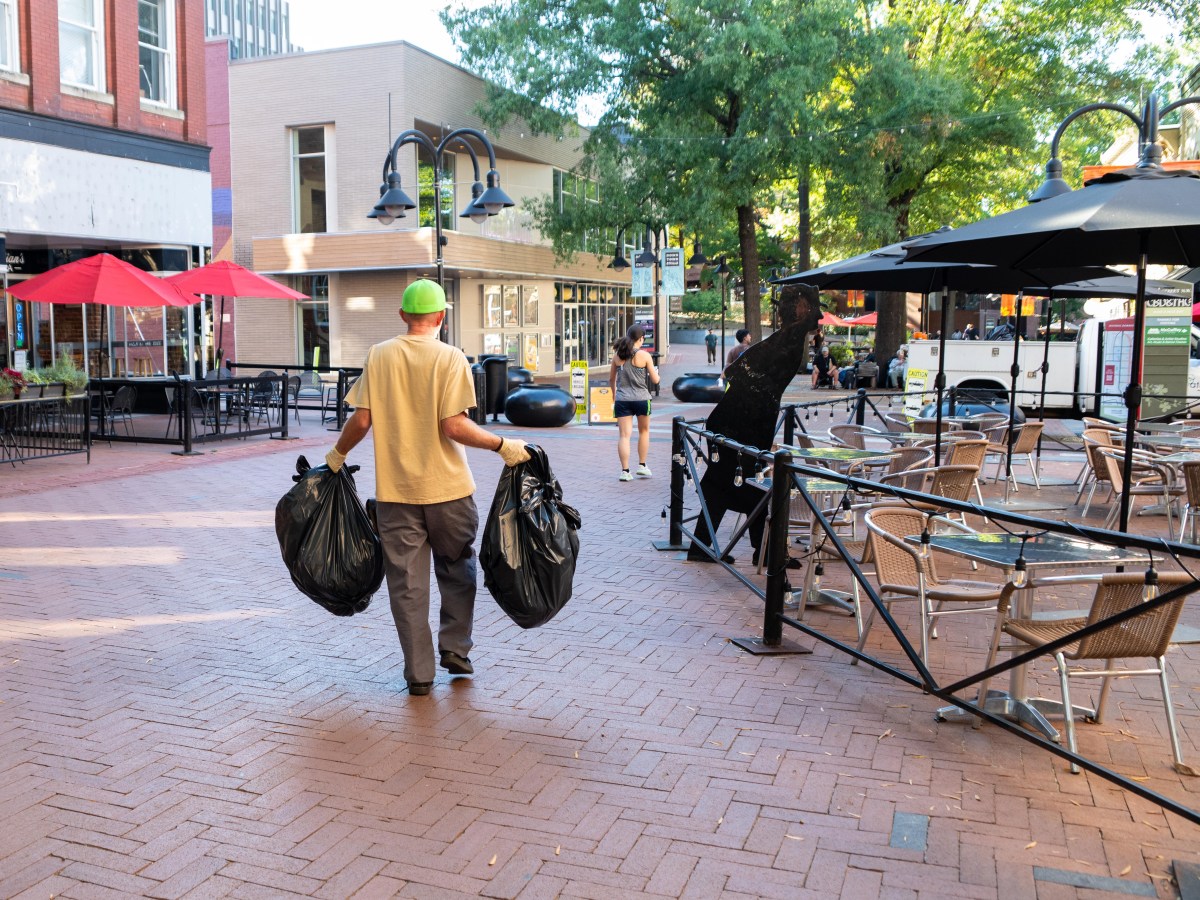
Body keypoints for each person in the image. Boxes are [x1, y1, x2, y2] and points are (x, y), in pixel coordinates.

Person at [324, 279, 530, 697]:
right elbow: (452, 425)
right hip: (450, 492)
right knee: (457, 570)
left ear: (402, 315)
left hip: (396, 496)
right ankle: (455, 648)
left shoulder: (378, 355)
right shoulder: (451, 358)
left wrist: (336, 456)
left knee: (406, 585)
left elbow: (361, 421)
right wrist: (502, 445)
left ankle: (418, 673)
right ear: (441, 316)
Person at [609, 325, 660, 481]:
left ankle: (625, 471)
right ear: (641, 339)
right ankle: (642, 466)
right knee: (644, 431)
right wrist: (656, 374)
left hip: (622, 399)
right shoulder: (645, 356)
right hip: (642, 399)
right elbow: (655, 380)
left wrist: (614, 396)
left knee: (624, 436)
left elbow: (612, 379)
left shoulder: (618, 356)